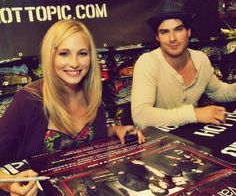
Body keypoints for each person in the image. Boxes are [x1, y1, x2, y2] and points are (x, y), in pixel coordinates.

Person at [0, 19, 145, 195]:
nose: (75, 63)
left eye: (82, 53)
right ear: (50, 56)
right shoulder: (29, 99)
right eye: (64, 53)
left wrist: (115, 130)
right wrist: (10, 184)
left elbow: (84, 138)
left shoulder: (92, 93)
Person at [131, 0, 236, 129]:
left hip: (192, 139)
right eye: (164, 32)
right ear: (157, 37)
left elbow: (219, 92)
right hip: (160, 143)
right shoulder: (148, 62)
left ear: (188, 31)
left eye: (178, 29)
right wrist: (194, 114)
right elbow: (141, 117)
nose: (172, 38)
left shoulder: (200, 59)